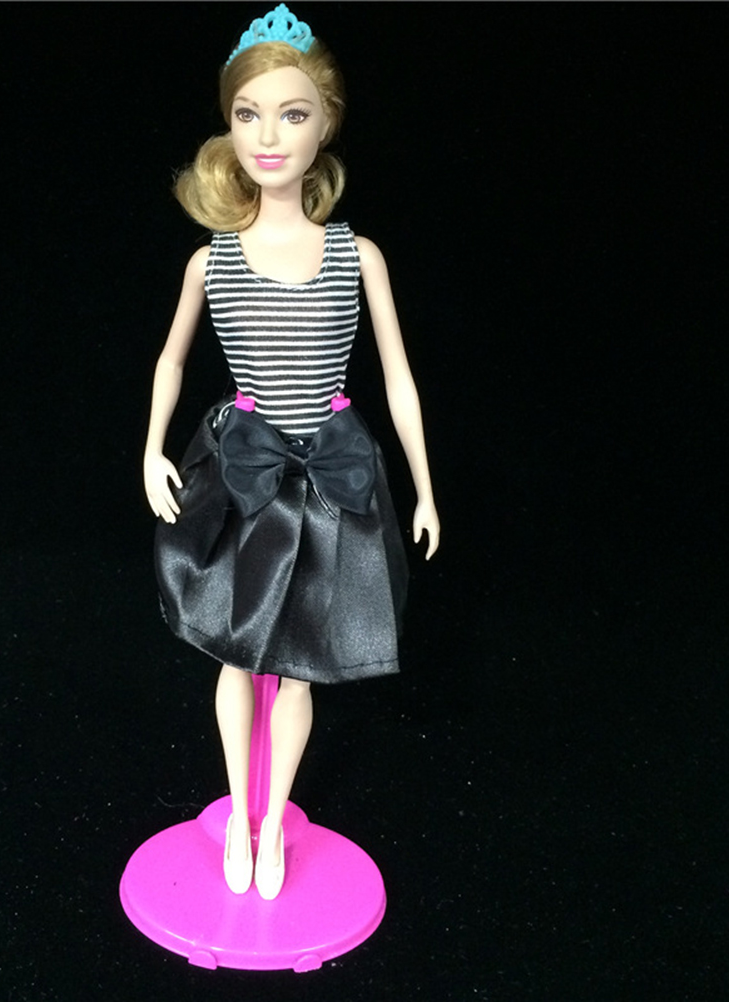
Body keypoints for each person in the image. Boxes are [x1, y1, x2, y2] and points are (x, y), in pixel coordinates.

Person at [143, 5, 439, 901]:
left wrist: (426, 489)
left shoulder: (358, 255)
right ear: (229, 127)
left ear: (326, 125)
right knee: (239, 657)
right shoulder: (212, 260)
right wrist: (151, 450)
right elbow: (171, 359)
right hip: (245, 472)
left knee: (301, 665)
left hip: (330, 477)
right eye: (249, 114)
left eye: (293, 113)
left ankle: (274, 823)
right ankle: (242, 811)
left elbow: (399, 377)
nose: (269, 136)